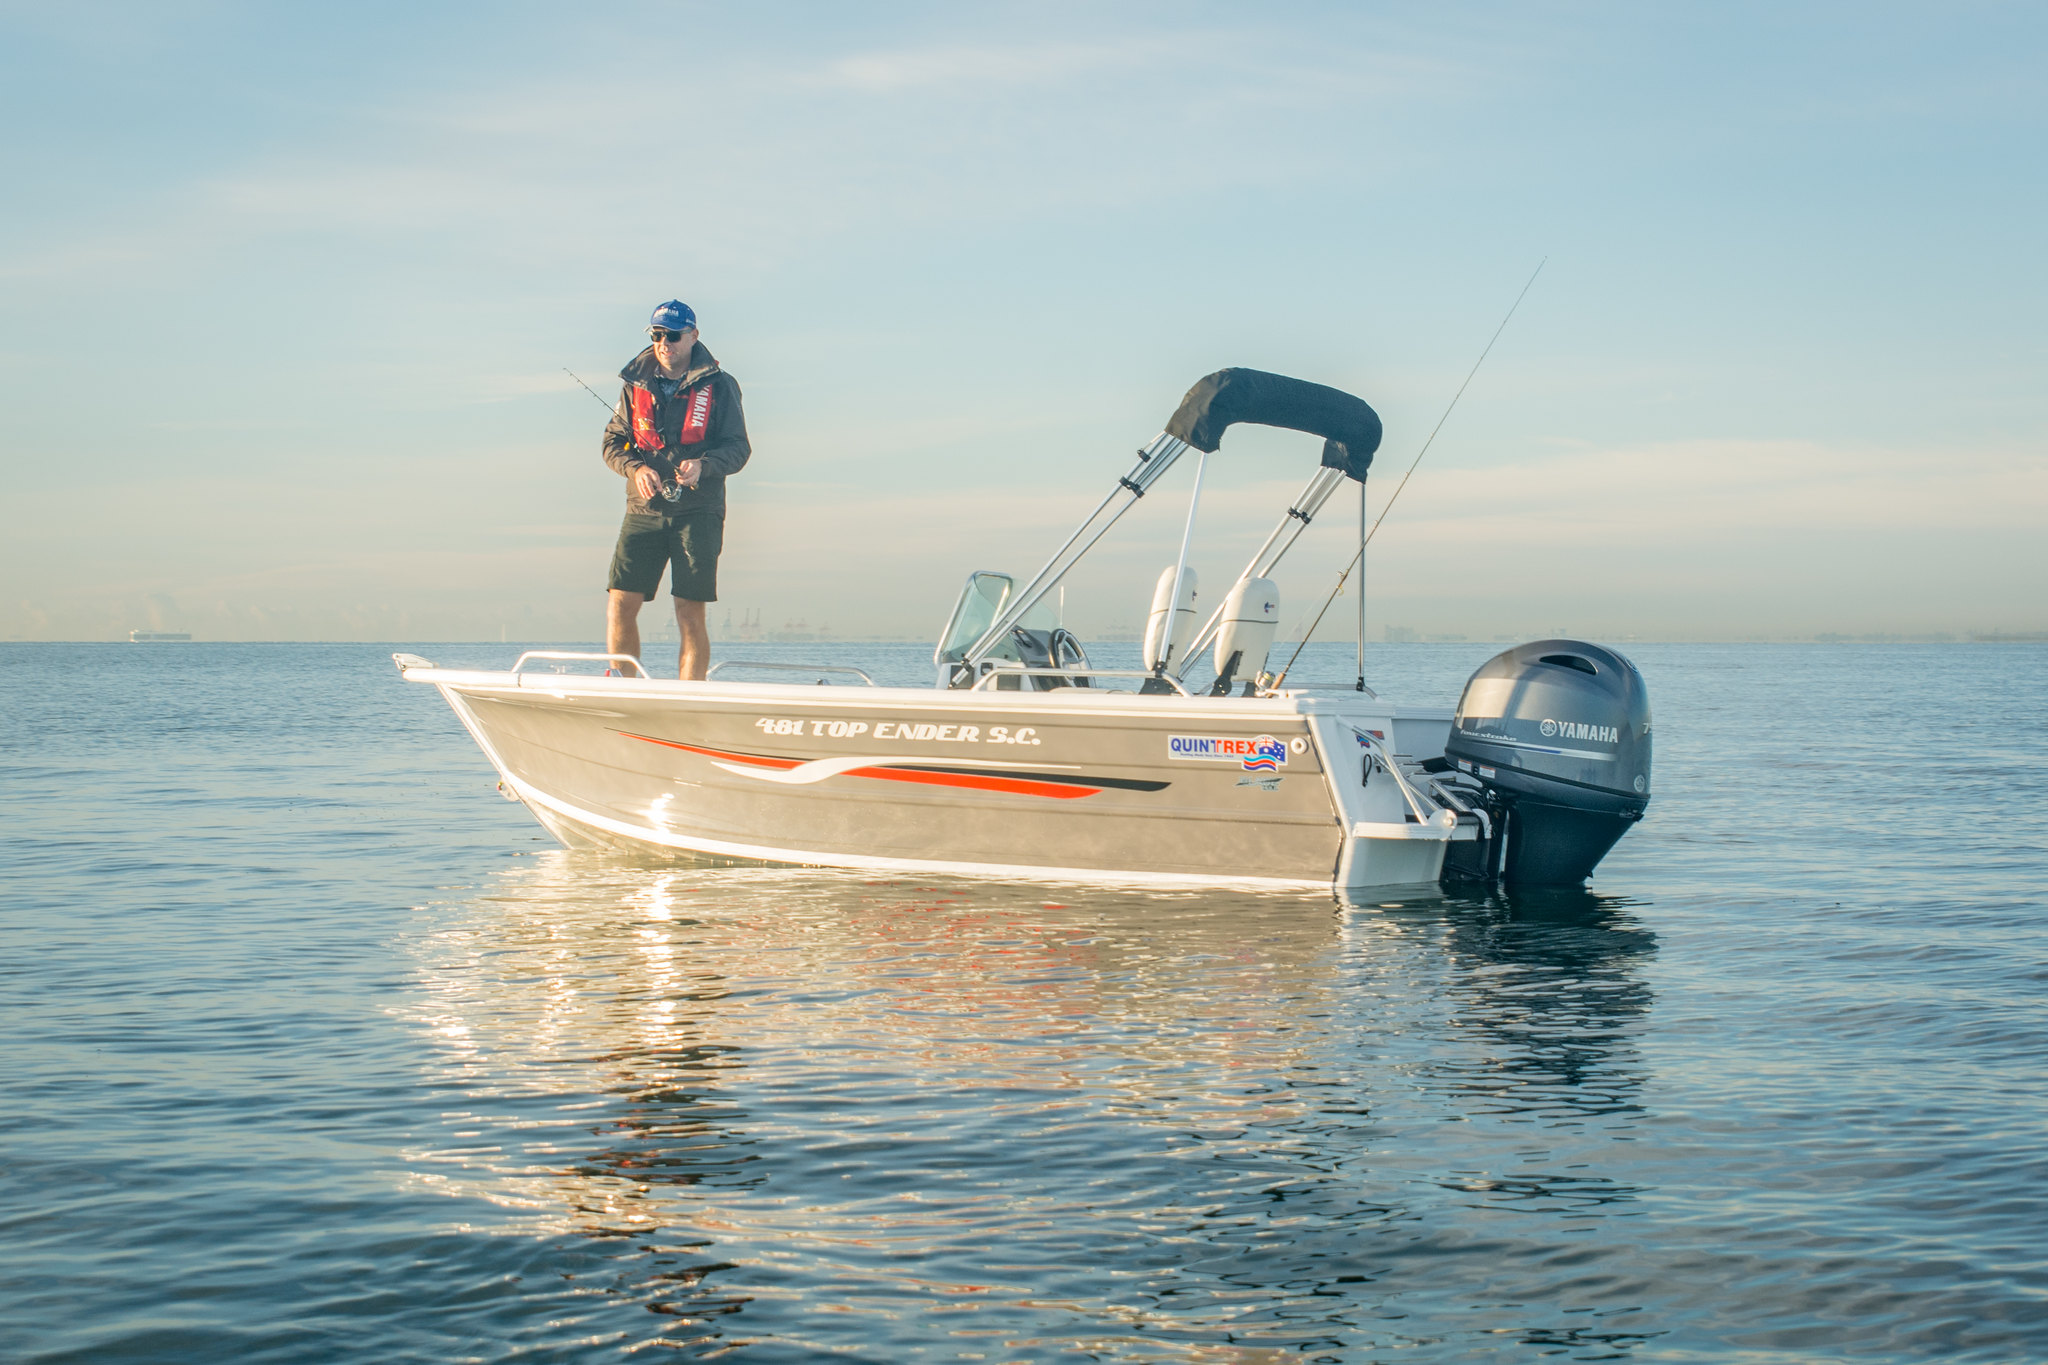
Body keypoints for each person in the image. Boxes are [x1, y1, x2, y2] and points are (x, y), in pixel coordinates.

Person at [600, 300, 750, 679]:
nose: (665, 343)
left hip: (699, 512)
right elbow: (612, 445)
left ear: (693, 336)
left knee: (689, 610)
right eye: (657, 335)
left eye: (673, 335)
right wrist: (635, 469)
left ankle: (689, 696)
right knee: (621, 603)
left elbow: (738, 447)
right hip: (643, 511)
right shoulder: (634, 386)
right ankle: (623, 688)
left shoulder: (721, 386)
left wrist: (705, 466)